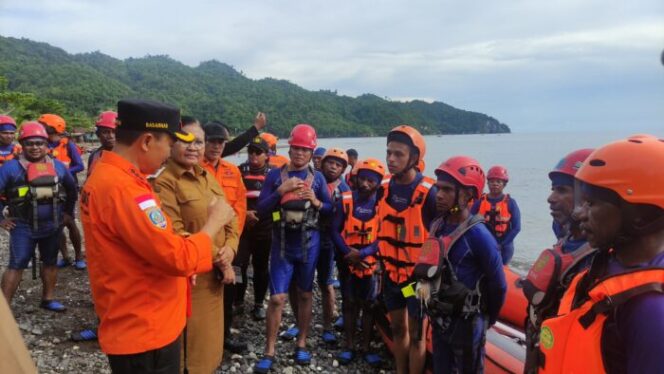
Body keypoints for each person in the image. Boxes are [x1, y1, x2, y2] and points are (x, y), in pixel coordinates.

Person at [81, 99, 235, 374]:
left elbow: (153, 241)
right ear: (147, 140)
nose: (168, 153)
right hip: (144, 328)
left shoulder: (117, 177)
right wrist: (213, 224)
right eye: (168, 144)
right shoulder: (124, 190)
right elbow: (177, 257)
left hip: (141, 317)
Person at [539, 135, 664, 373]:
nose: (578, 214)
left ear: (640, 214)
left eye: (591, 204)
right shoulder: (607, 261)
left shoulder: (653, 311)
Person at [152, 121, 239, 374]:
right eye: (185, 140)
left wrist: (231, 250)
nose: (193, 147)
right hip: (190, 280)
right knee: (189, 348)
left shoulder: (206, 175)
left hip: (216, 277)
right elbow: (176, 232)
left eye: (198, 141)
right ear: (171, 143)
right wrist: (221, 259)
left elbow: (228, 215)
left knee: (212, 343)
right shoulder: (165, 182)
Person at [414, 156, 506, 373]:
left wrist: (487, 319)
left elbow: (499, 285)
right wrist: (421, 299)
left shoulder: (479, 236)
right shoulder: (438, 225)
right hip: (440, 318)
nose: (439, 195)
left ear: (467, 194)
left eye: (447, 190)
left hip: (467, 323)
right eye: (438, 189)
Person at [253, 124, 332, 373]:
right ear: (290, 149)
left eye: (304, 150)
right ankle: (269, 349)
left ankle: (301, 343)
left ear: (311, 153)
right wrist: (280, 191)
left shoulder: (317, 178)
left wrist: (316, 200)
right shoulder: (275, 176)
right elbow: (262, 208)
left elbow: (330, 210)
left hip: (309, 243)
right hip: (282, 243)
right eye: (295, 148)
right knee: (277, 298)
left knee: (306, 294)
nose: (299, 153)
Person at [521, 148, 595, 373]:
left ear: (588, 198)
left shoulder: (600, 259)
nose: (550, 198)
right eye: (553, 189)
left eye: (561, 190)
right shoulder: (564, 232)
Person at [374, 125, 437, 374]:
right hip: (392, 274)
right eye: (389, 153)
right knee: (398, 328)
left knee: (419, 334)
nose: (390, 159)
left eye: (398, 154)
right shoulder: (384, 188)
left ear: (414, 158)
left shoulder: (430, 194)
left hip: (420, 281)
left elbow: (441, 240)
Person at [0, 122, 78, 312]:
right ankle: (3, 309)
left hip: (52, 224)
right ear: (22, 145)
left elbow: (71, 188)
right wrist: (1, 219)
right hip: (22, 226)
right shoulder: (10, 168)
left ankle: (48, 299)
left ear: (46, 145)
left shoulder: (58, 167)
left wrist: (68, 213)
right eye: (30, 143)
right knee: (16, 264)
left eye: (39, 143)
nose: (35, 147)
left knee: (50, 261)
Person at [200, 121, 248, 353]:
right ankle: (201, 343)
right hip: (202, 243)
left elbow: (239, 208)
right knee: (201, 297)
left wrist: (231, 245)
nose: (217, 146)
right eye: (213, 141)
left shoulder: (232, 171)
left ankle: (225, 335)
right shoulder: (193, 168)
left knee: (228, 293)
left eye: (221, 142)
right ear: (203, 141)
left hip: (228, 245)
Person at [332, 158, 385, 366]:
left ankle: (366, 347)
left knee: (370, 305)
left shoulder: (382, 205)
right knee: (349, 302)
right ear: (356, 179)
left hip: (370, 263)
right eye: (362, 179)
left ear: (378, 183)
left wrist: (363, 254)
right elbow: (334, 230)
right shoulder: (344, 200)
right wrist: (349, 254)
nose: (365, 184)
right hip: (347, 261)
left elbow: (384, 236)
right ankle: (350, 345)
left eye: (371, 181)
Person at [231, 136, 273, 324]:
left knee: (261, 268)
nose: (254, 155)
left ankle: (258, 304)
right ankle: (238, 301)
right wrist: (245, 213)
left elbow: (279, 206)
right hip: (243, 227)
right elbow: (232, 198)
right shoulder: (239, 172)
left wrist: (268, 219)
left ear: (267, 155)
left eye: (258, 152)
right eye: (251, 151)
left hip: (265, 228)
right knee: (238, 265)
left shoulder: (274, 175)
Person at [38, 113, 85, 270]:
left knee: (69, 222)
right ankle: (65, 256)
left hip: (66, 189)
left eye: (44, 127)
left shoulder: (67, 144)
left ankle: (79, 256)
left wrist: (63, 172)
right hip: (47, 189)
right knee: (56, 224)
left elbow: (80, 165)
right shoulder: (41, 145)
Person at [315, 148, 350, 344]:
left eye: (338, 164)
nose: (333, 167)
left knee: (327, 283)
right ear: (323, 163)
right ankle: (300, 322)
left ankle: (328, 325)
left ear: (343, 169)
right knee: (301, 285)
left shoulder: (344, 189)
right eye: (330, 162)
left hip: (331, 242)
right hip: (310, 237)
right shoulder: (314, 181)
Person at [471, 165, 521, 264]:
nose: (495, 184)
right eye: (492, 181)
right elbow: (469, 221)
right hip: (483, 241)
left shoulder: (511, 203)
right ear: (488, 183)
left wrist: (502, 244)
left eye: (498, 181)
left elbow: (517, 227)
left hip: (504, 244)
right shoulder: (480, 202)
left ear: (504, 184)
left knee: (502, 268)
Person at [87, 111, 117, 177]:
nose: (111, 136)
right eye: (105, 132)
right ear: (98, 134)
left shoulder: (128, 157)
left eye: (114, 132)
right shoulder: (94, 155)